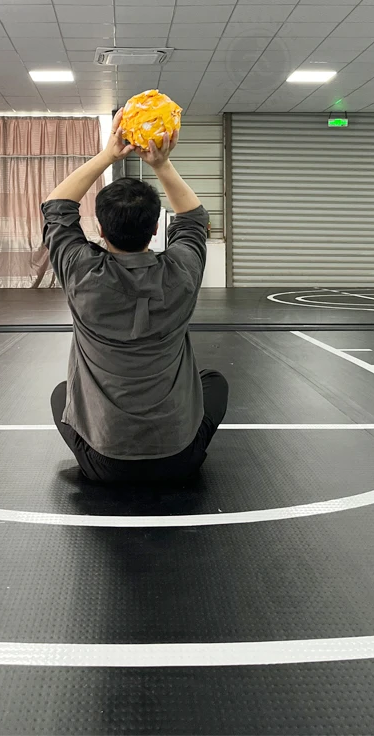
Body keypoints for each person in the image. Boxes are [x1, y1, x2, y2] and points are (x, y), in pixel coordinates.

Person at [42, 108, 228, 484]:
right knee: (214, 382)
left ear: (99, 226)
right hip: (180, 458)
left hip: (103, 463)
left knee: (62, 394)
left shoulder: (82, 273)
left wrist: (109, 155)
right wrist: (161, 163)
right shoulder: (182, 273)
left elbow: (56, 208)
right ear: (157, 226)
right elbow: (194, 219)